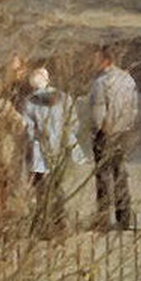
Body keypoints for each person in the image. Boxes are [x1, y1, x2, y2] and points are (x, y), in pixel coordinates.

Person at [20, 66, 84, 234]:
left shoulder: (29, 102)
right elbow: (74, 123)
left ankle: (43, 223)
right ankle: (61, 220)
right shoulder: (65, 98)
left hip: (40, 151)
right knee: (57, 185)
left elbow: (27, 128)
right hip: (61, 149)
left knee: (42, 189)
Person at [88, 44, 138, 230]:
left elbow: (98, 110)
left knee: (103, 176)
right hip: (122, 132)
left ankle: (102, 218)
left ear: (105, 61)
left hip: (105, 133)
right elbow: (133, 107)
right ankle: (124, 216)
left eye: (96, 59)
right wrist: (125, 125)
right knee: (120, 173)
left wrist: (98, 129)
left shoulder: (101, 83)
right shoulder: (128, 80)